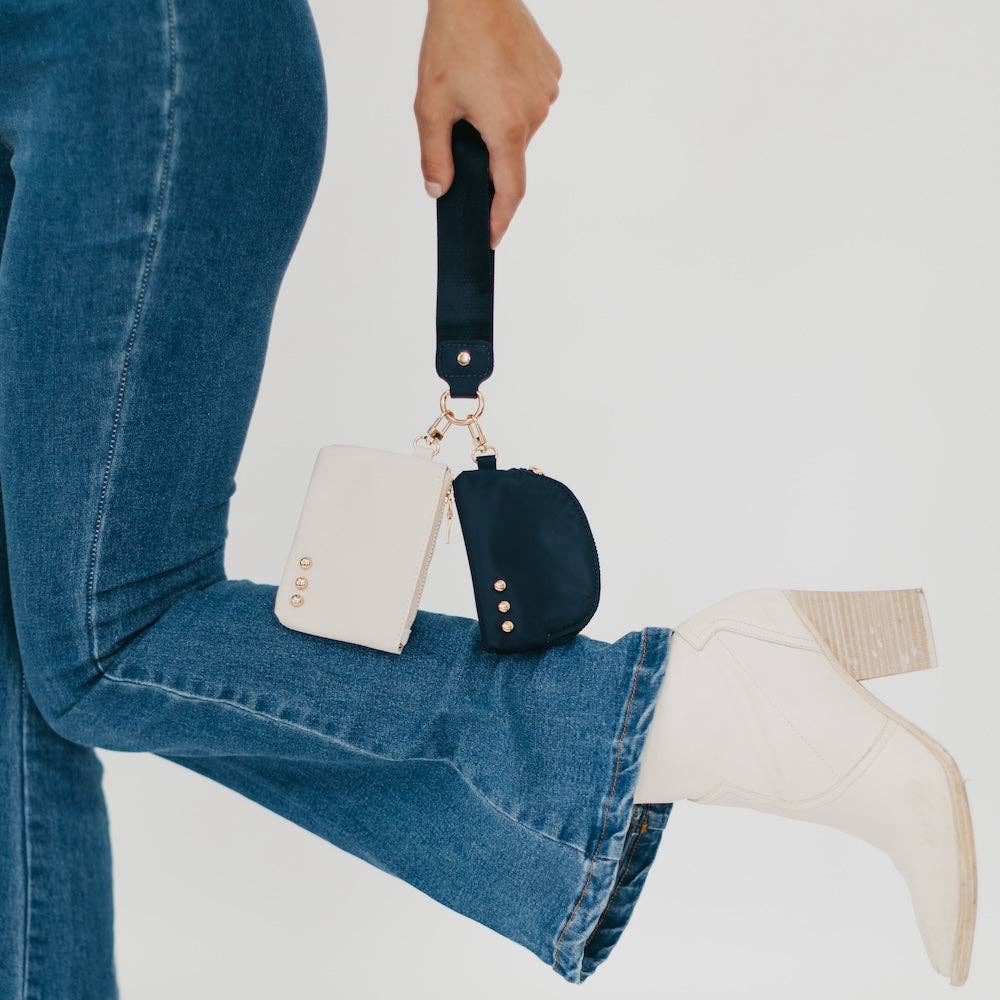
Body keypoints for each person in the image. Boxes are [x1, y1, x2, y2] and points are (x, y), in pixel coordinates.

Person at [0, 0, 976, 994]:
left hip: (127, 44)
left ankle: (694, 710)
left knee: (108, 640)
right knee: (22, 672)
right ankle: (707, 705)